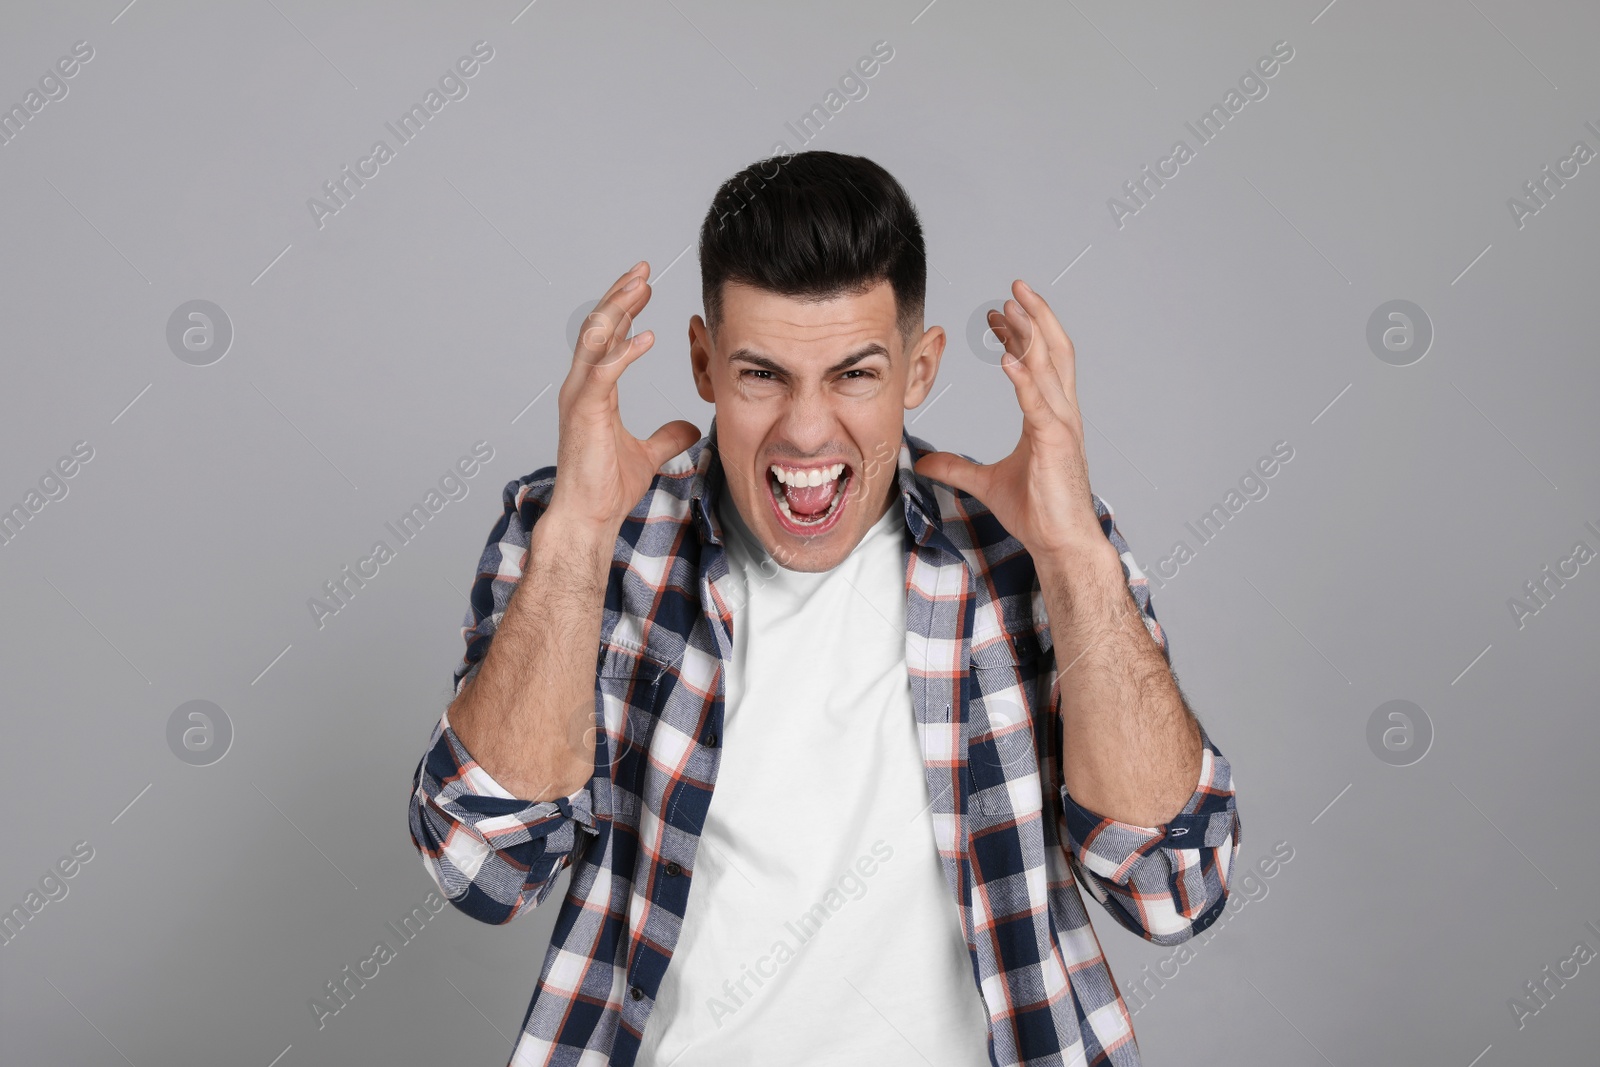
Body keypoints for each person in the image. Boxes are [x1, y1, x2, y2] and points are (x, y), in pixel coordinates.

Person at [407, 150, 1240, 1066]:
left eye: (854, 375)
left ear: (919, 371)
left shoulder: (1027, 551)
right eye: (762, 374)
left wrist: (1075, 553)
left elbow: (1173, 889)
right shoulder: (588, 538)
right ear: (703, 362)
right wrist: (577, 533)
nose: (807, 429)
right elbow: (483, 868)